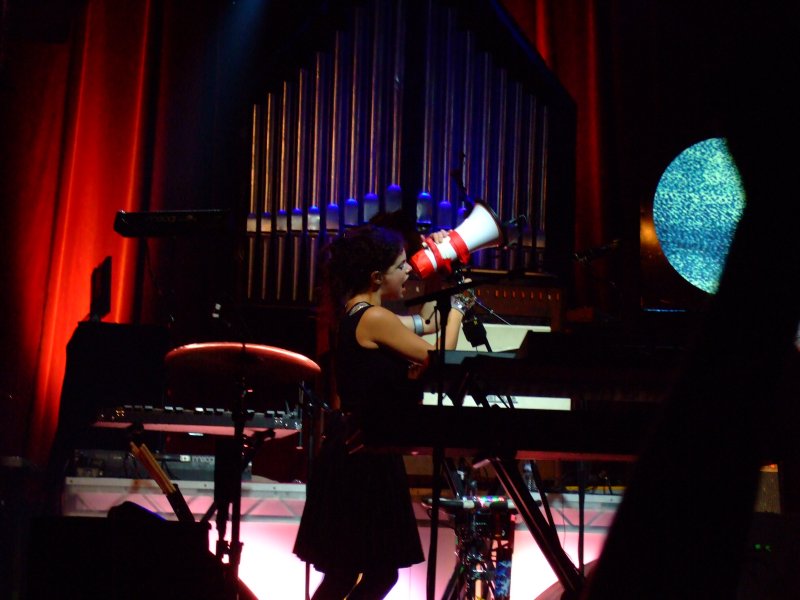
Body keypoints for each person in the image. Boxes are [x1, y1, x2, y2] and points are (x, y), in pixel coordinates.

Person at [293, 224, 473, 600]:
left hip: (363, 449)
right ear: (377, 276)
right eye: (401, 266)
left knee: (358, 574)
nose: (409, 271)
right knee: (360, 573)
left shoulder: (362, 314)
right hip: (361, 456)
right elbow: (440, 354)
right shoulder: (374, 319)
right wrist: (460, 303)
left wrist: (443, 265)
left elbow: (429, 323)